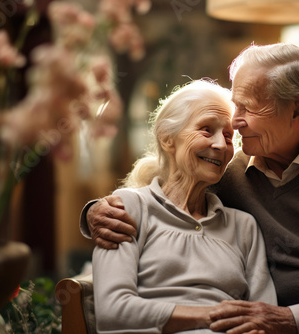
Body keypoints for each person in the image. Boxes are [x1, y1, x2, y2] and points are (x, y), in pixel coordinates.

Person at [82, 43, 299, 334]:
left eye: (248, 107)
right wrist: (96, 211)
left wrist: (292, 318)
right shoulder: (226, 170)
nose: (236, 122)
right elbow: (169, 179)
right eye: (236, 106)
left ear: (297, 109)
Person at [90, 79, 277, 334]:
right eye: (206, 129)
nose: (221, 146)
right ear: (168, 138)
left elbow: (262, 315)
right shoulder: (129, 209)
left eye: (228, 136)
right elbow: (114, 311)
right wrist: (215, 315)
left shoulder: (243, 226)